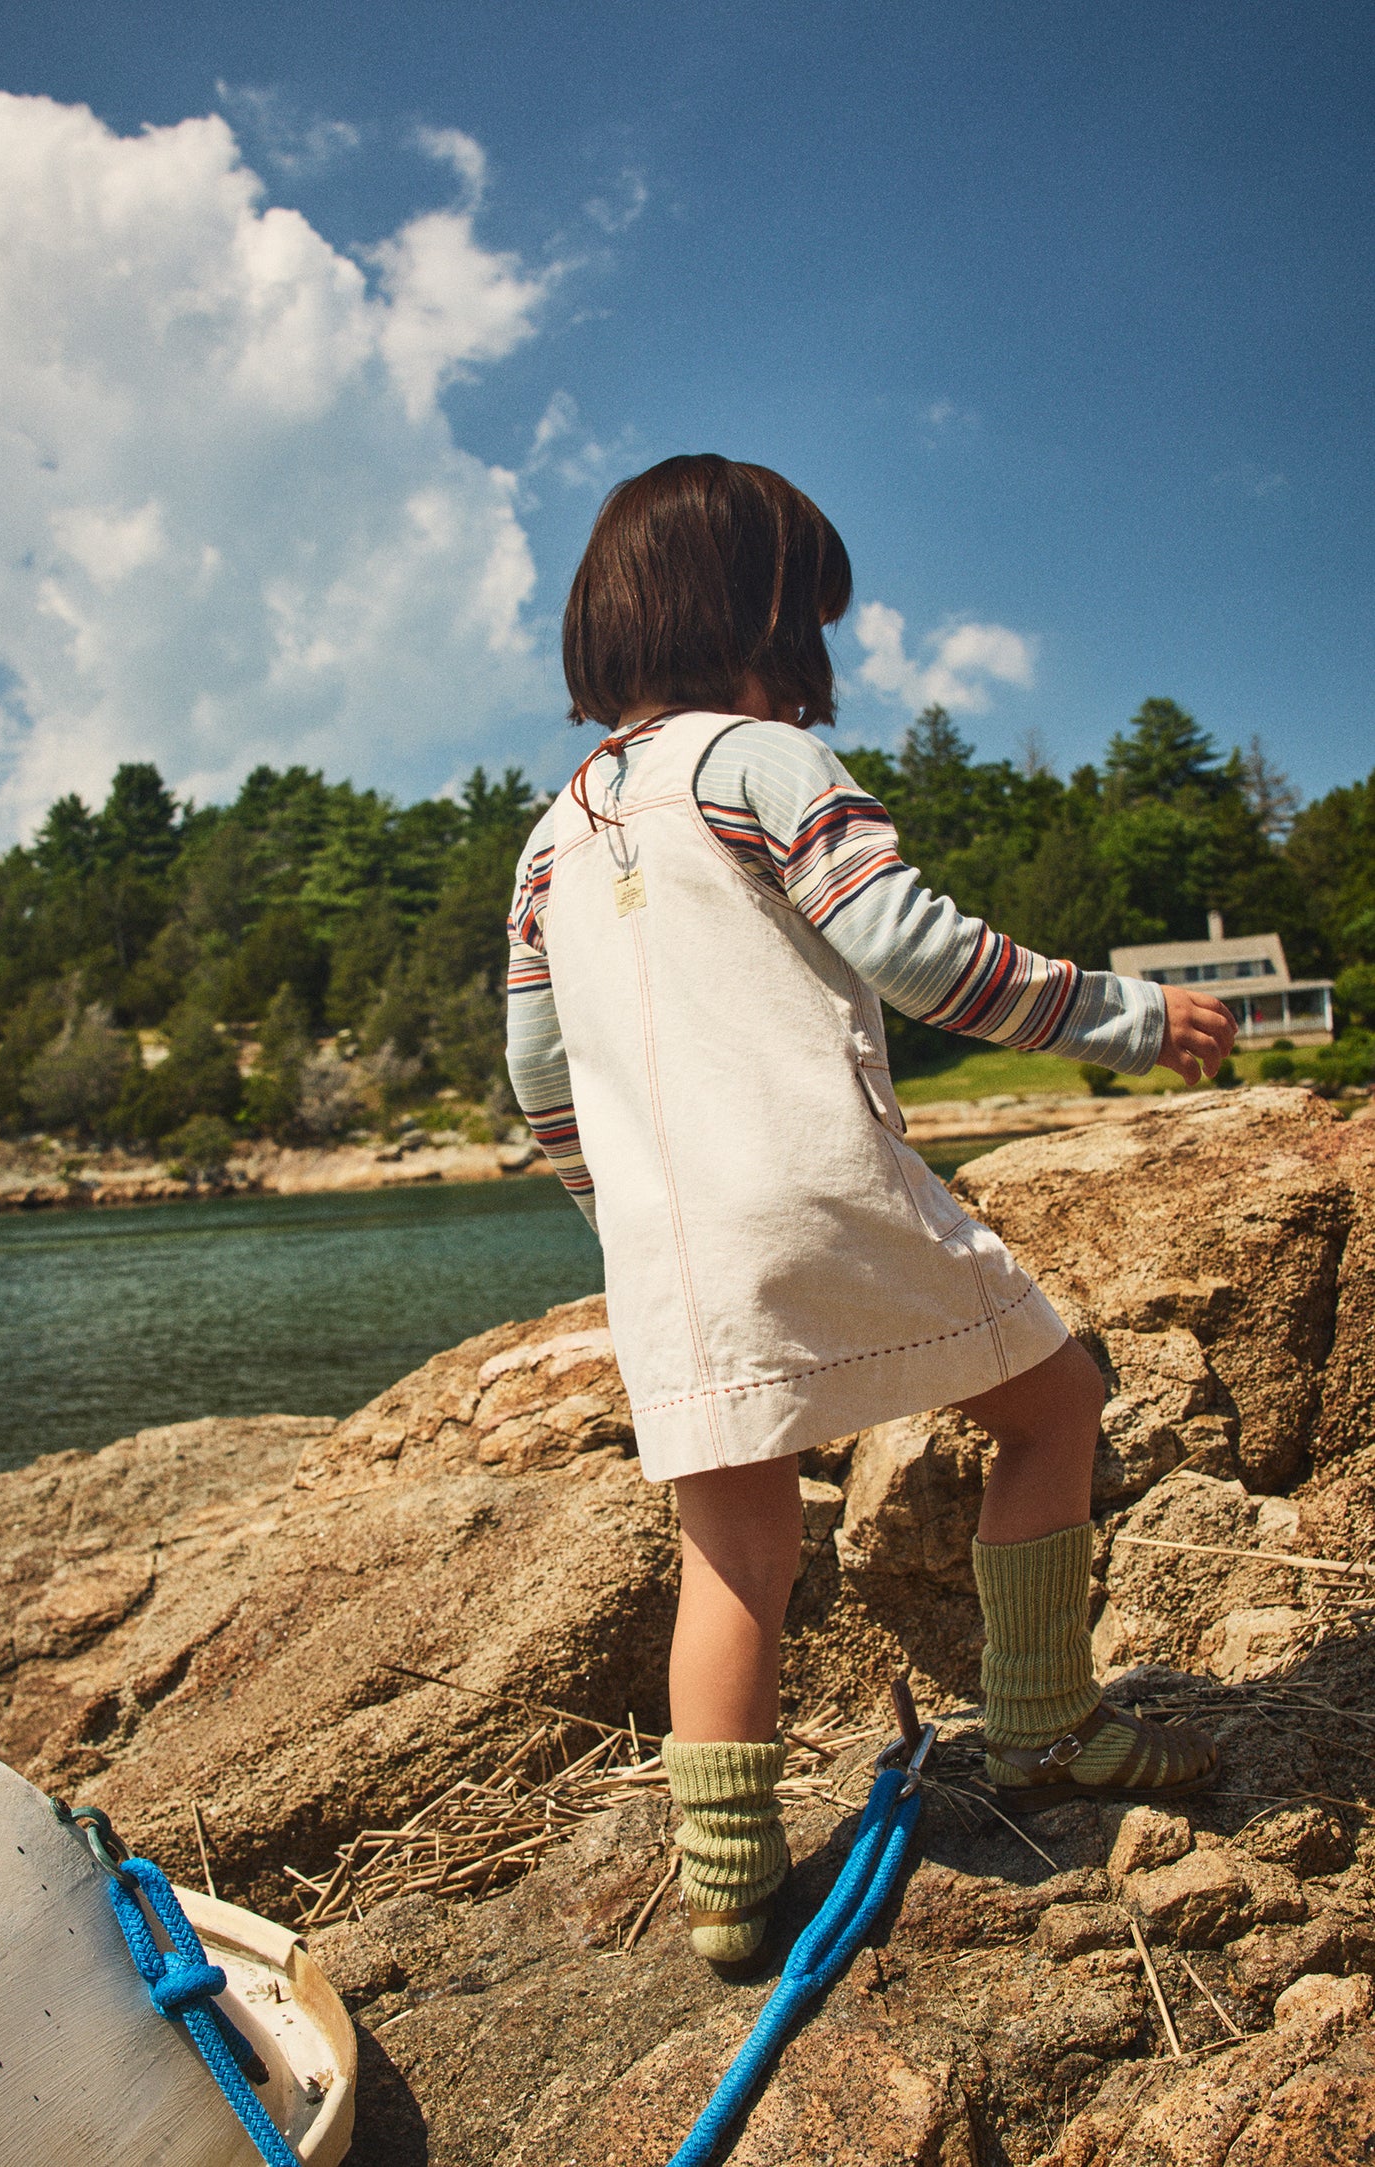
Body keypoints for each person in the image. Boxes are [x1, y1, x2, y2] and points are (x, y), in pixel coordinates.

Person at [505, 454, 1232, 1965]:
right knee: (1050, 1409)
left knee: (736, 1554)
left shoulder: (548, 838)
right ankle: (1040, 1725)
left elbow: (535, 1078)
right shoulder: (764, 763)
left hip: (674, 1248)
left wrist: (619, 1218)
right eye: (814, 613)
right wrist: (1121, 1017)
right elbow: (910, 952)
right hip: (820, 1189)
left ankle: (724, 1885)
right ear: (768, 614)